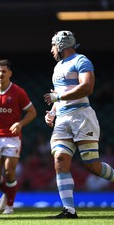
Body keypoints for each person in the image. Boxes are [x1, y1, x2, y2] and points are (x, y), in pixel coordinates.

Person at [43, 30, 114, 219]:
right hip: (63, 120)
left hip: (82, 117)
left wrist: (57, 96)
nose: (51, 50)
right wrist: (52, 112)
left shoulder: (81, 60)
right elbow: (59, 96)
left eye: (52, 45)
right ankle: (69, 210)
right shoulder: (58, 67)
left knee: (92, 166)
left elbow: (87, 87)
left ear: (61, 45)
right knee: (59, 160)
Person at [0, 59, 37, 215]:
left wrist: (20, 123)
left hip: (12, 137)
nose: (1, 74)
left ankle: (10, 206)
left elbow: (32, 112)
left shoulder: (18, 92)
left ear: (10, 73)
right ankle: (8, 192)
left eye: (4, 71)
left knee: (9, 171)